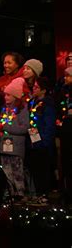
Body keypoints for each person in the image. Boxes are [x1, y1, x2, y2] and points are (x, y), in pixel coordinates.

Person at [0, 77, 30, 199]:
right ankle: (9, 192)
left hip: (16, 148)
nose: (6, 98)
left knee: (17, 171)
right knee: (6, 172)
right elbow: (1, 123)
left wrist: (5, 127)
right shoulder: (4, 109)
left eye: (8, 95)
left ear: (15, 96)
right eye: (5, 95)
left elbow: (24, 128)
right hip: (4, 147)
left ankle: (20, 193)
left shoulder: (22, 109)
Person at [26, 77, 56, 203]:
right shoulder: (32, 102)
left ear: (44, 90)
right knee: (34, 168)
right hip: (32, 141)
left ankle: (44, 194)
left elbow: (49, 125)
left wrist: (44, 142)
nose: (34, 89)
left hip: (43, 143)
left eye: (37, 87)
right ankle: (36, 193)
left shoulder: (48, 104)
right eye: (34, 87)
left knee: (43, 169)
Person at [55, 67, 72, 203]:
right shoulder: (64, 92)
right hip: (65, 133)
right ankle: (67, 192)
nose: (65, 78)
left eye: (68, 76)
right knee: (65, 163)